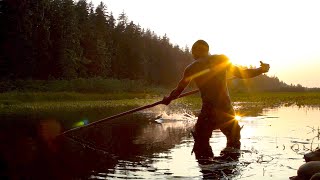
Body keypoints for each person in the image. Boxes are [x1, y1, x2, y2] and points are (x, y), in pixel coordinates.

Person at [162, 40, 270, 159]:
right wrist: (261, 70)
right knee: (234, 142)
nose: (192, 55)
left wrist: (168, 99)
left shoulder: (192, 68)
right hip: (226, 110)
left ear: (195, 52)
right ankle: (227, 169)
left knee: (201, 143)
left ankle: (208, 172)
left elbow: (178, 90)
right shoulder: (221, 59)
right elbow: (242, 73)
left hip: (209, 111)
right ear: (207, 50)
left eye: (193, 52)